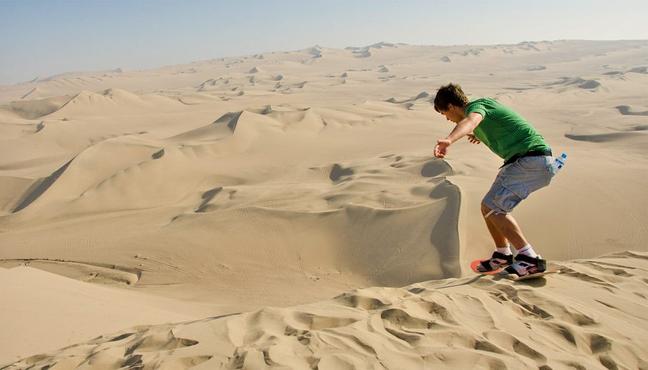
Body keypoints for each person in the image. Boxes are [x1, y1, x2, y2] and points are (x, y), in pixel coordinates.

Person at [432, 83, 556, 277]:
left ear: (451, 106)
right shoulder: (483, 112)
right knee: (487, 207)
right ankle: (503, 254)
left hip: (530, 160)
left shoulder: (476, 108)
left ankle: (529, 259)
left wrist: (450, 139)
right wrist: (479, 135)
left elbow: (471, 121)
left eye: (444, 114)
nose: (448, 119)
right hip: (532, 161)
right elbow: (489, 125)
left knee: (494, 208)